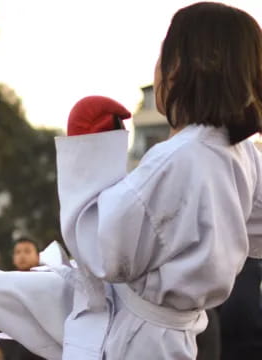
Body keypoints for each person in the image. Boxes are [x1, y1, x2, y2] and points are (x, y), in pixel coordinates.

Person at [55, 2, 262, 359]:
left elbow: (101, 250)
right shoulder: (241, 152)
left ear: (177, 69)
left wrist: (88, 152)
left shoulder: (176, 157)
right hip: (180, 333)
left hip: (137, 339)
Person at [0, 237, 46, 360]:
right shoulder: (6, 284)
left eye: (27, 251)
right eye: (18, 252)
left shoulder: (47, 281)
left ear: (38, 257)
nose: (22, 256)